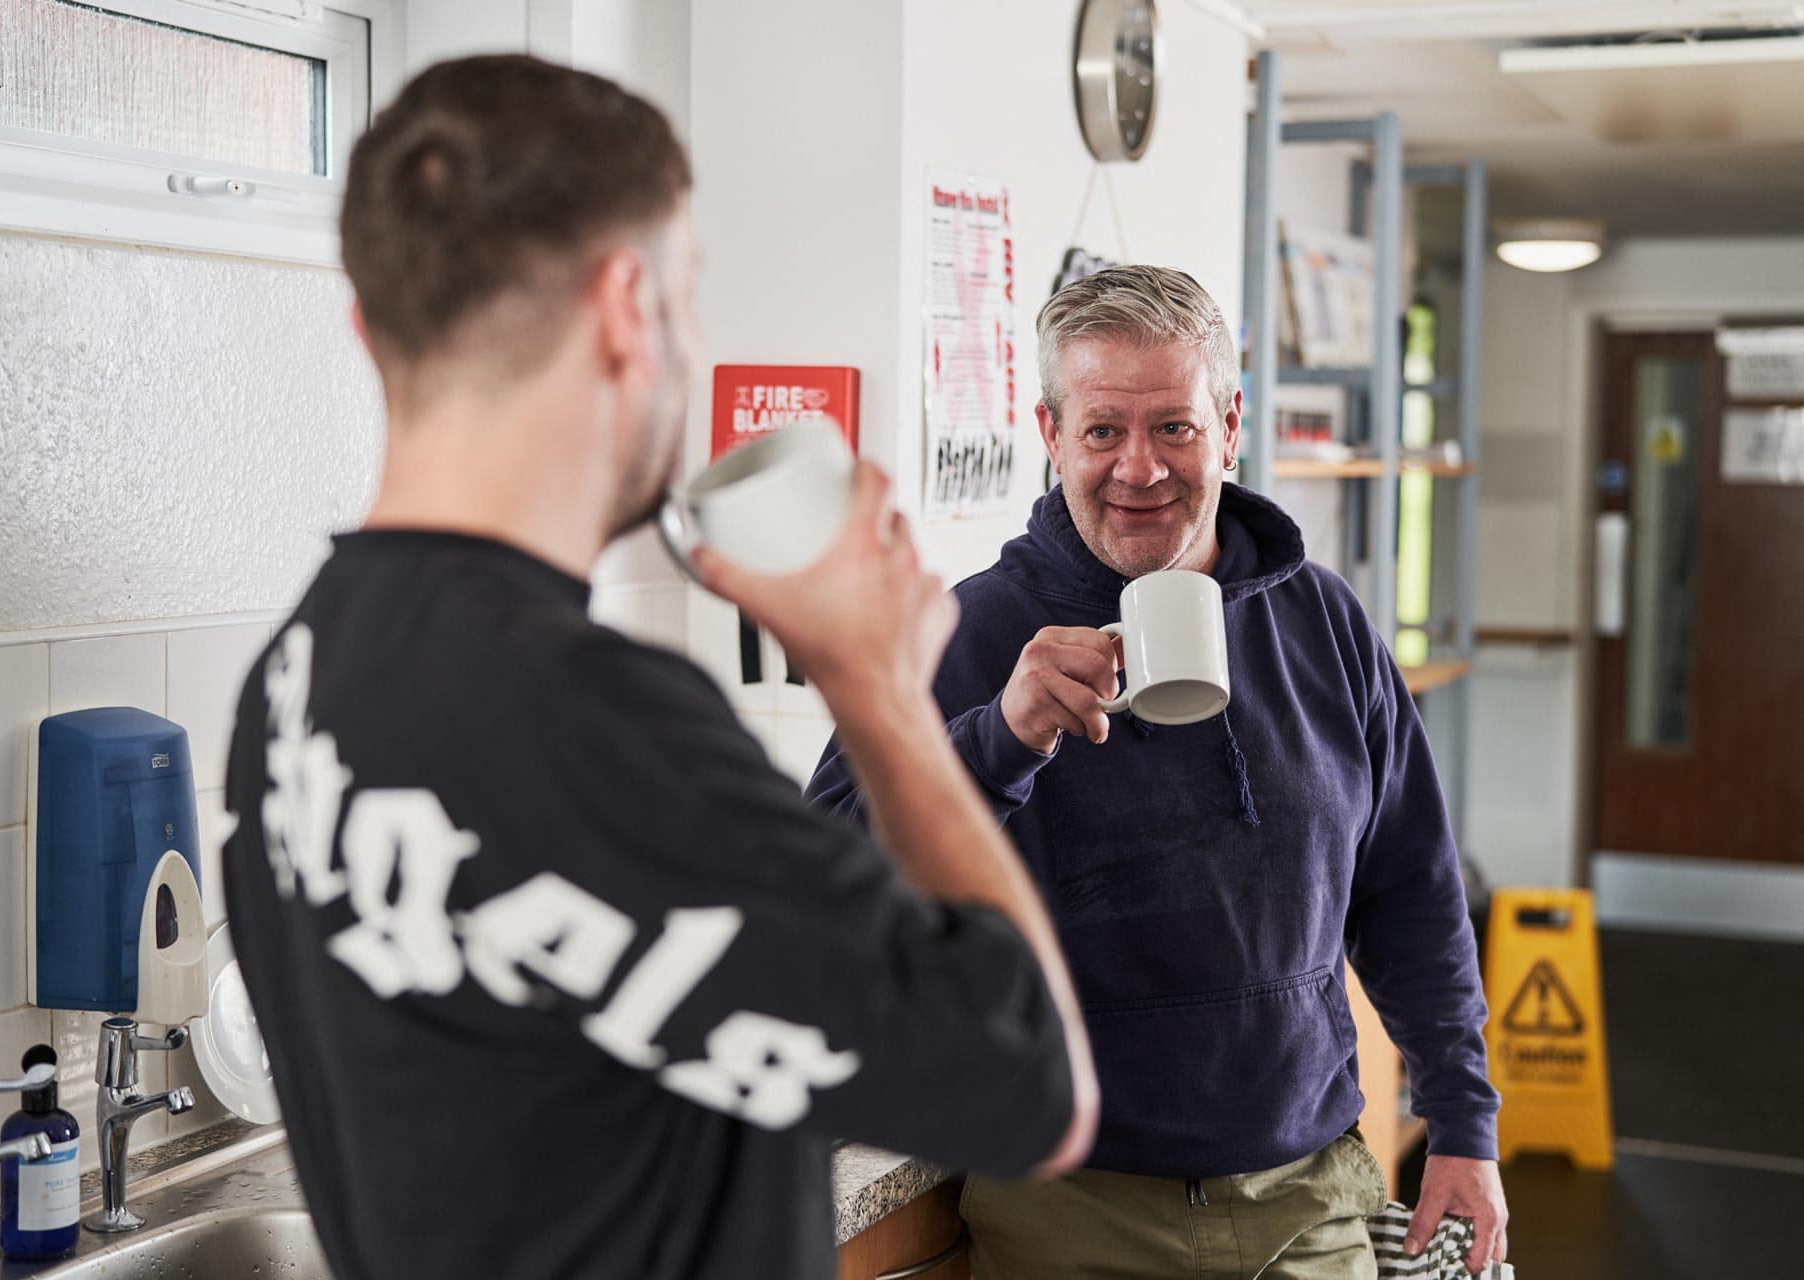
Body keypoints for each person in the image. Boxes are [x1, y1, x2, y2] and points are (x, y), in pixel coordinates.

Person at [219, 56, 1097, 1280]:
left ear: (371, 327)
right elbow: (1031, 1089)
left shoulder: (294, 675)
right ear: (630, 308)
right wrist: (882, 692)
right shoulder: (592, 719)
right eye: (689, 298)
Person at [809, 265, 1508, 1278]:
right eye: (1102, 431)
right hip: (1072, 1211)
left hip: (1309, 1199)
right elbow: (819, 874)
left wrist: (1463, 1121)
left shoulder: (1325, 621)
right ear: (1050, 434)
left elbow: (1411, 886)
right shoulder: (967, 633)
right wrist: (999, 738)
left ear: (1230, 424)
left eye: (1174, 427)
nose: (1140, 467)